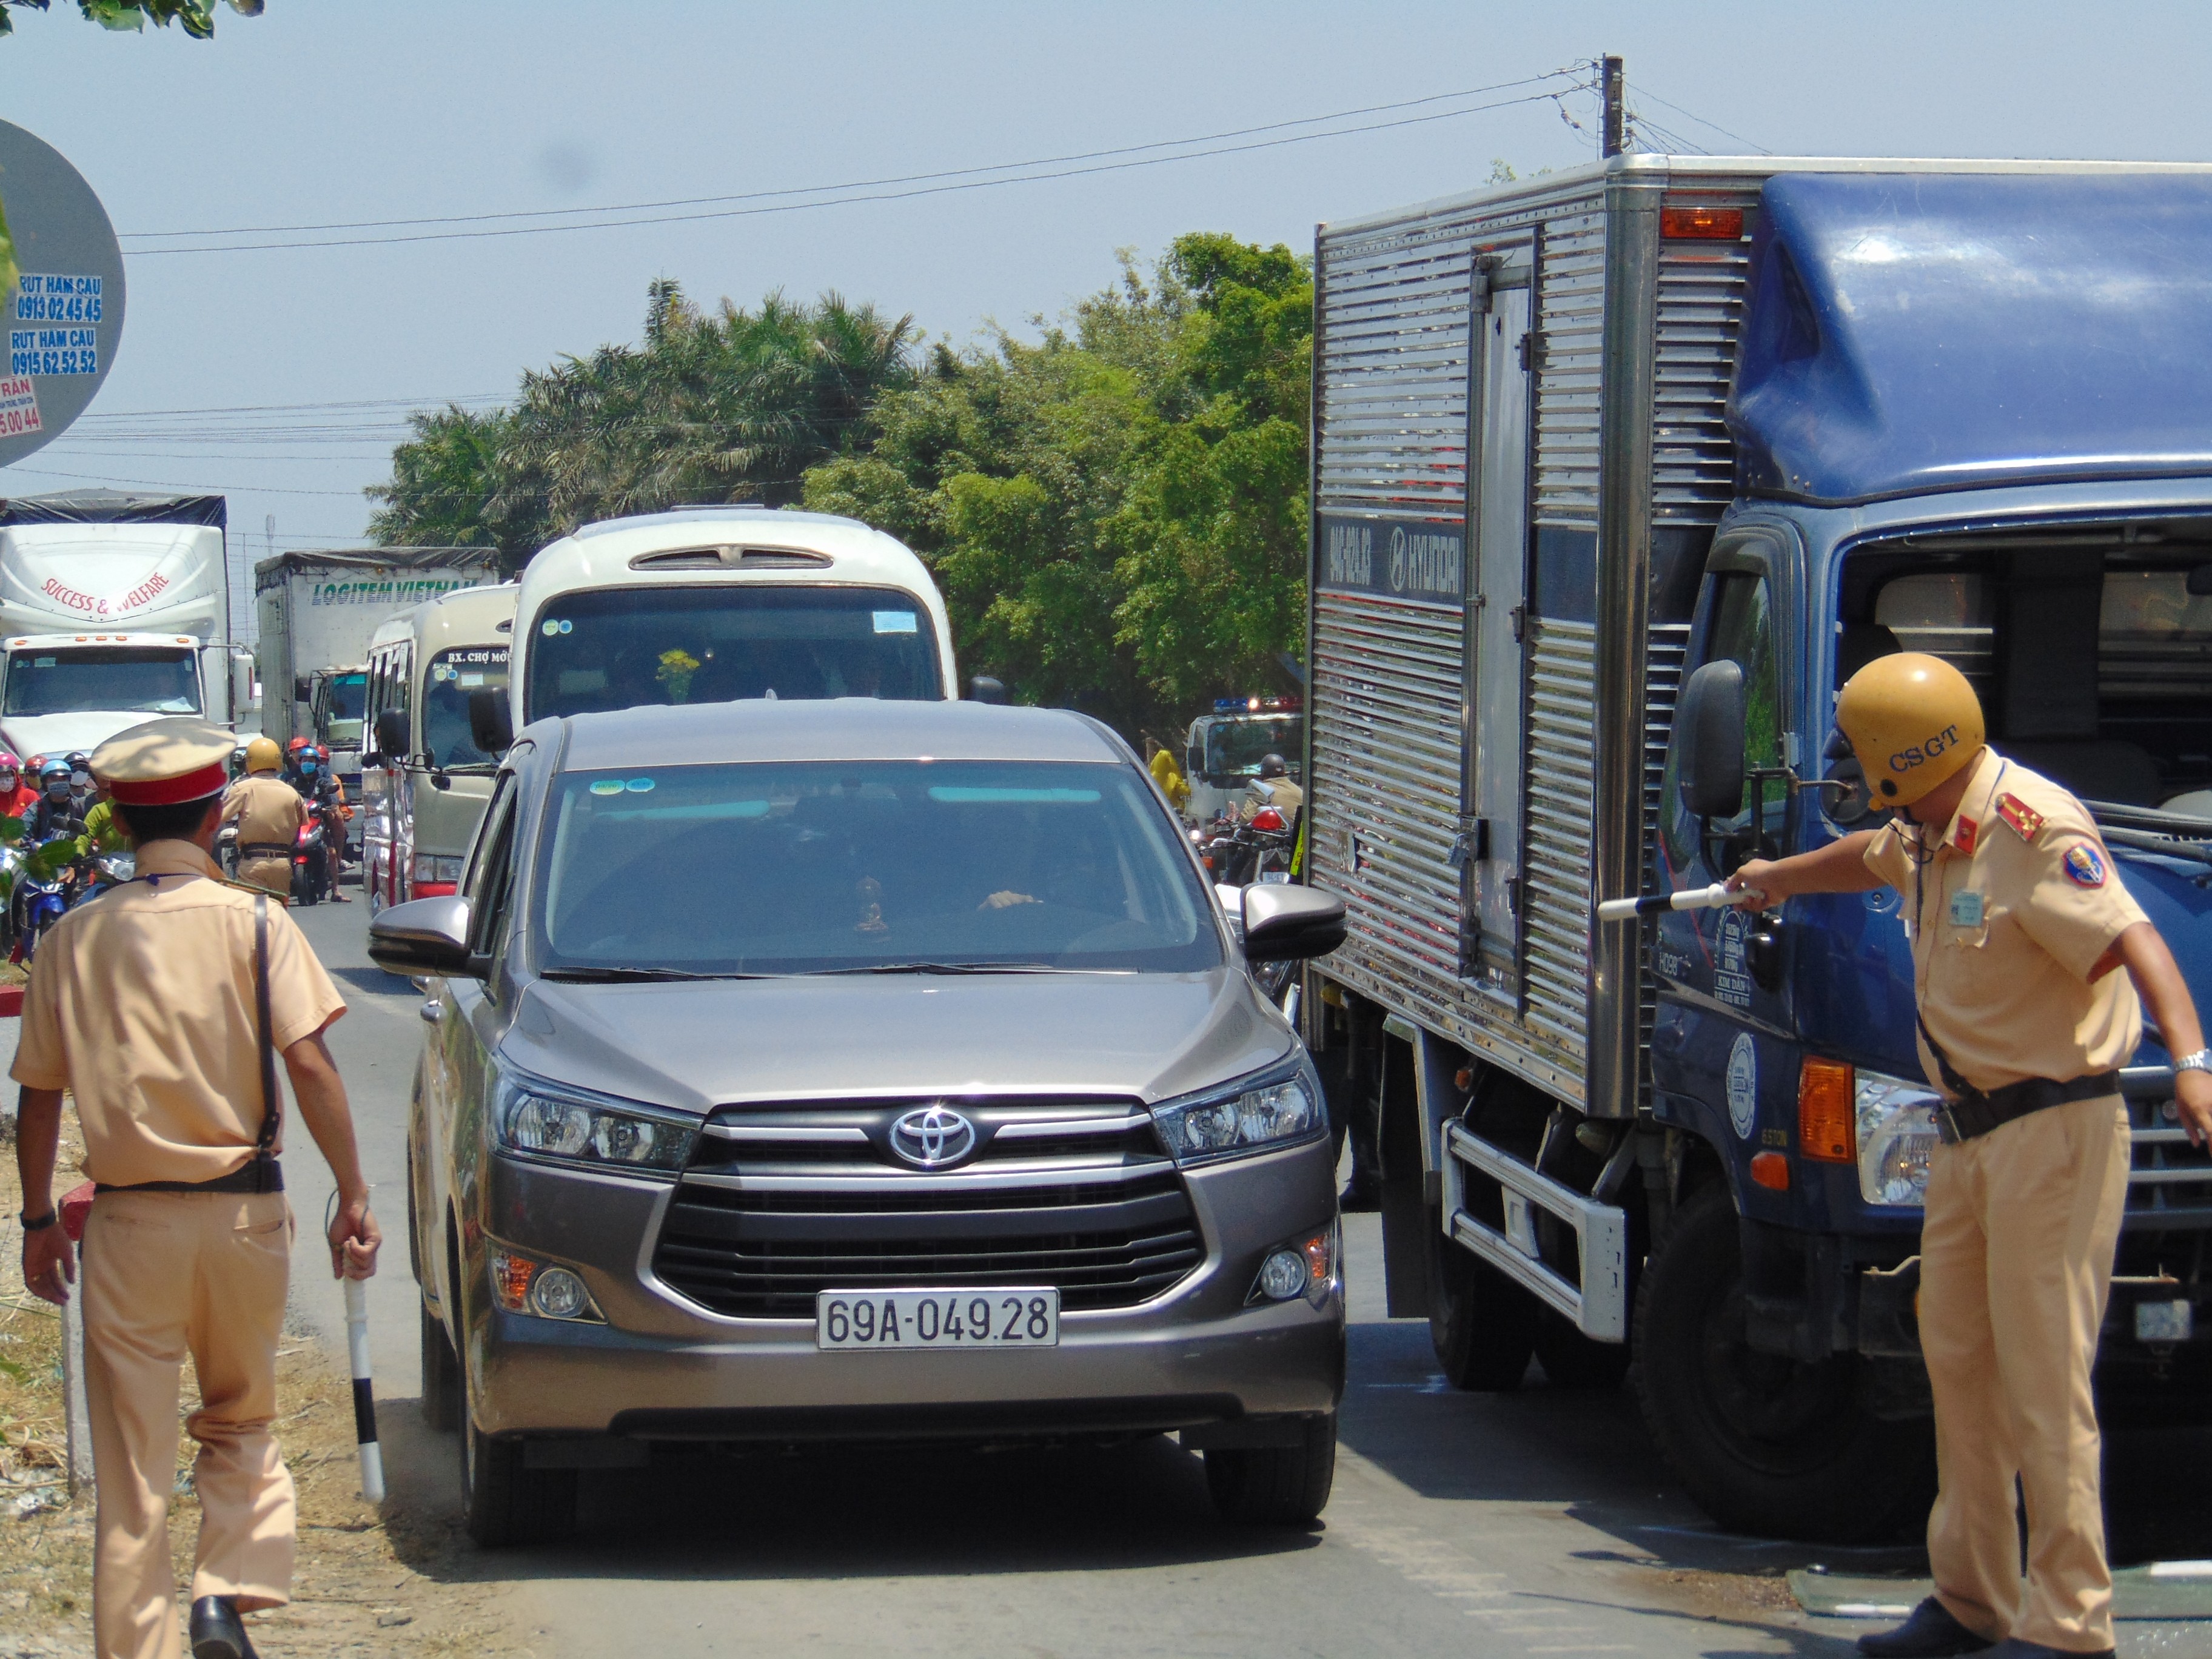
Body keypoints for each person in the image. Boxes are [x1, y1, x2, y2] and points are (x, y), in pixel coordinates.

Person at [1728, 653, 2212, 1659]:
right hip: (1963, 1136)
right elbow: (1867, 853)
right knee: (1957, 1362)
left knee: (2043, 1383)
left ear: (1905, 759)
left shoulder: (2033, 832)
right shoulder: (1927, 830)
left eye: (1870, 766)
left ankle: (2070, 1622)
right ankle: (1970, 1598)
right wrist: (1776, 877)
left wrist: (2192, 1064)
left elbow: (2134, 941)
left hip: (2053, 1135)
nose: (1870, 791)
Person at [11, 715, 380, 1659]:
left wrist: (40, 1221)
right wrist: (354, 1196)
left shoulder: (73, 940)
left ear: (114, 817)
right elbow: (311, 1064)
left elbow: (40, 1096)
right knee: (242, 1415)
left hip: (129, 1225)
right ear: (217, 808)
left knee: (132, 1471)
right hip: (245, 1214)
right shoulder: (259, 926)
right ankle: (227, 1591)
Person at [220, 738, 307, 899]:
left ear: (250, 761)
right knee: (278, 917)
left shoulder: (242, 788)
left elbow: (218, 817)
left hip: (253, 862)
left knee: (251, 916)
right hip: (282, 864)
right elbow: (302, 824)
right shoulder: (291, 792)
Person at [30, 756, 87, 843]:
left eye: (63, 779)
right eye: (54, 779)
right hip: (44, 854)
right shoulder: (37, 808)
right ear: (45, 782)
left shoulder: (80, 806)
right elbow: (23, 832)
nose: (59, 782)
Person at [1242, 753, 1302, 821]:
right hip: (1297, 831)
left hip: (1273, 831)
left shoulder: (1261, 790)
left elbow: (1246, 818)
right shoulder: (1299, 791)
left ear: (1263, 771)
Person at [0, 751, 36, 823]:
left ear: (16, 774)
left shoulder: (29, 795)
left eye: (8, 775)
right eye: (1, 776)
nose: (4, 780)